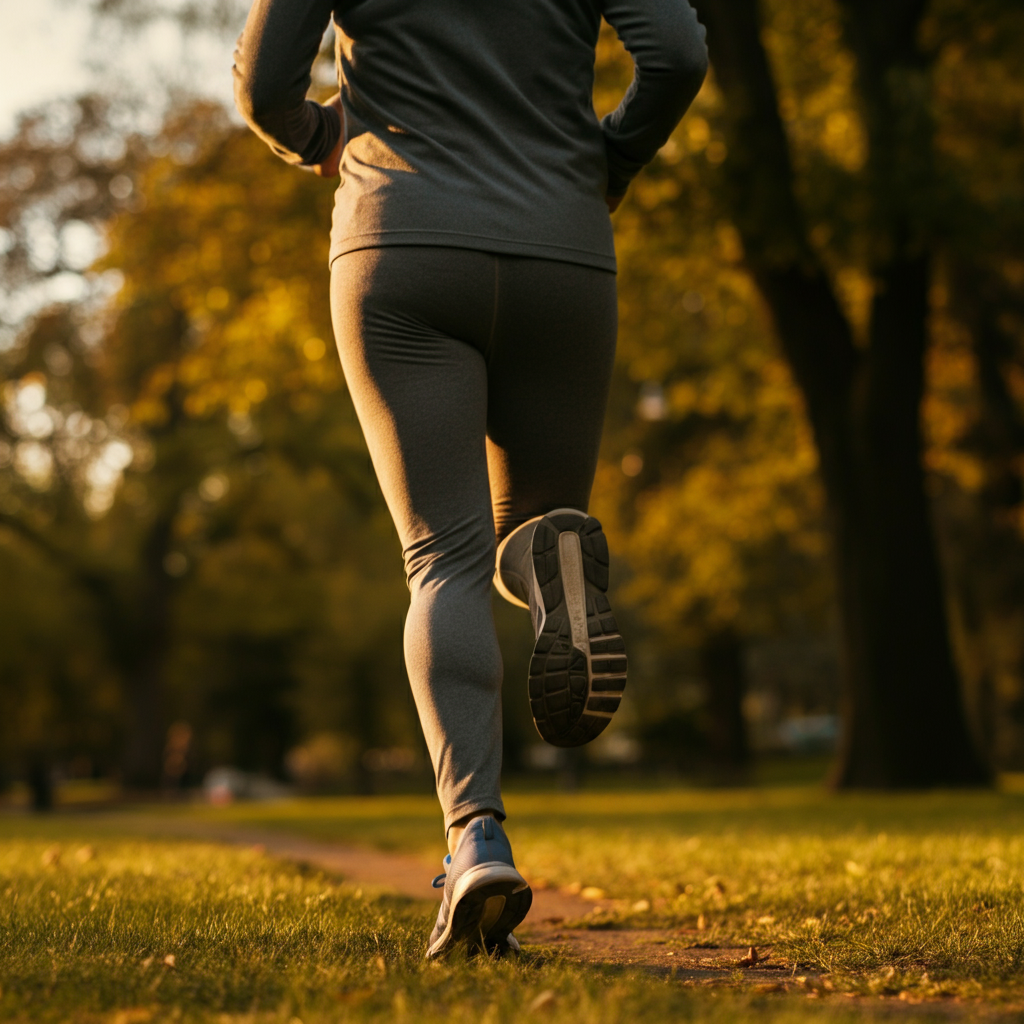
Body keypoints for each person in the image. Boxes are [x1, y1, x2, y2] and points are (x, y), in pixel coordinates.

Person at [233, 0, 707, 958]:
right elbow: (679, 52)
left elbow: (261, 83)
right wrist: (606, 160)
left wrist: (322, 134)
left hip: (403, 239)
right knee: (530, 533)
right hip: (563, 251)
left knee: (443, 562)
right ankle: (549, 562)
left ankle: (475, 839)